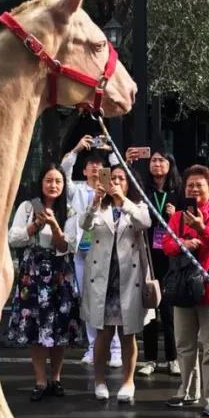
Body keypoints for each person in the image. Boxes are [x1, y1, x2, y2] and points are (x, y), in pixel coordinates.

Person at [162, 165, 209, 417]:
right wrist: (183, 243)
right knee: (184, 344)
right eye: (190, 184)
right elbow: (167, 244)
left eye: (199, 185)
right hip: (182, 289)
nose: (193, 188)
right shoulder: (177, 216)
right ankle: (188, 390)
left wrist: (202, 229)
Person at [77, 164, 151, 402]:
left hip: (129, 280)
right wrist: (95, 201)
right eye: (112, 178)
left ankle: (128, 382)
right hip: (103, 279)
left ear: (129, 183)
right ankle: (99, 380)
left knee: (129, 334)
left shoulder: (136, 206)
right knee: (103, 333)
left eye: (121, 179)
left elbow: (145, 222)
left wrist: (123, 201)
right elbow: (84, 225)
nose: (116, 182)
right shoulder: (98, 207)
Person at [7, 165, 81, 400]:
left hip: (59, 273)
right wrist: (36, 225)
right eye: (49, 180)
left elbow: (68, 246)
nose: (53, 185)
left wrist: (54, 226)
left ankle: (56, 378)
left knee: (59, 327)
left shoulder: (69, 211)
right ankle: (40, 381)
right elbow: (14, 239)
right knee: (35, 328)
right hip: (34, 272)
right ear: (41, 182)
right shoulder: (29, 207)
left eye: (58, 181)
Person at [61, 136, 122, 369]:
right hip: (82, 252)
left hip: (107, 251)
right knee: (88, 299)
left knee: (111, 299)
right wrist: (76, 148)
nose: (96, 167)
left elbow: (119, 170)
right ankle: (93, 347)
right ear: (84, 171)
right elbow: (64, 170)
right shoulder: (75, 190)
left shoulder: (111, 189)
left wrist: (111, 151)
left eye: (99, 164)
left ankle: (115, 350)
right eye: (91, 165)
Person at [128, 146, 182, 378]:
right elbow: (126, 188)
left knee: (169, 311)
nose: (157, 164)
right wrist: (128, 163)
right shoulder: (143, 191)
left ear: (170, 165)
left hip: (170, 257)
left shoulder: (178, 192)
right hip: (147, 255)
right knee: (150, 309)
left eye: (162, 161)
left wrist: (174, 216)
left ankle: (173, 358)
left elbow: (187, 224)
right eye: (154, 161)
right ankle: (150, 359)